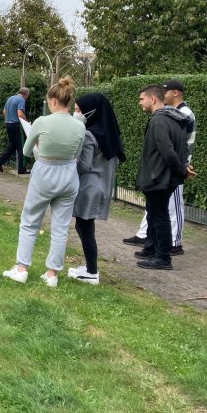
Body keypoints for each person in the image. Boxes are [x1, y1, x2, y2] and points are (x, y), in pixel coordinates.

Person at [3, 77, 85, 288]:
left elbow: (26, 151)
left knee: (30, 221)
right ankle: (52, 274)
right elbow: (77, 153)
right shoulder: (79, 126)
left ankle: (21, 268)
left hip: (45, 173)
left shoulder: (41, 122)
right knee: (60, 226)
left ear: (53, 100)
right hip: (69, 175)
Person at [123, 79, 196, 255]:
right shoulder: (174, 117)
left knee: (160, 217)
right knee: (155, 215)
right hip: (164, 176)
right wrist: (183, 166)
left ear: (153, 99)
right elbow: (181, 147)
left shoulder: (160, 120)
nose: (139, 102)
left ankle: (163, 256)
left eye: (141, 99)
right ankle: (151, 250)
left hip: (159, 177)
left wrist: (181, 169)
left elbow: (168, 151)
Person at [67, 93, 126, 285]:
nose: (75, 113)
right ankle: (89, 266)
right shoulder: (109, 132)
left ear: (90, 111)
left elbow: (83, 165)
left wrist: (67, 163)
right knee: (84, 226)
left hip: (88, 187)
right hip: (102, 186)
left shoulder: (88, 133)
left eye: (78, 110)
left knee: (85, 228)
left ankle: (92, 271)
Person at [0, 87, 30, 174]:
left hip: (8, 124)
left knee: (12, 145)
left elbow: (4, 112)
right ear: (26, 94)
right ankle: (21, 169)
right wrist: (27, 123)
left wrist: (9, 118)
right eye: (27, 96)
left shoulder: (10, 98)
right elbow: (20, 114)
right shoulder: (21, 100)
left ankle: (0, 161)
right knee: (21, 147)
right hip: (16, 125)